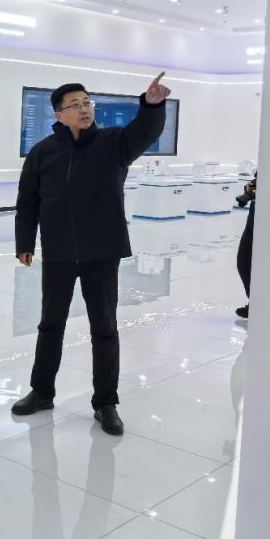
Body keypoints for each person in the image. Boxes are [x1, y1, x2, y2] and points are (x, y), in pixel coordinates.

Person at [12, 74, 171, 436]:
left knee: (104, 327)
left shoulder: (113, 143)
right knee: (50, 324)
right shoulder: (43, 152)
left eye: (87, 102)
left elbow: (145, 132)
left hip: (102, 251)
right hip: (59, 251)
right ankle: (42, 391)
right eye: (75, 105)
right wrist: (25, 242)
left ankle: (106, 402)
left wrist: (151, 106)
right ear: (59, 114)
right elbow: (28, 200)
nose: (84, 109)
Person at [235, 175, 256, 319]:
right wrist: (249, 190)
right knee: (243, 262)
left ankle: (257, 303)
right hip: (253, 222)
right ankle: (254, 301)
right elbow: (253, 183)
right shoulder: (268, 166)